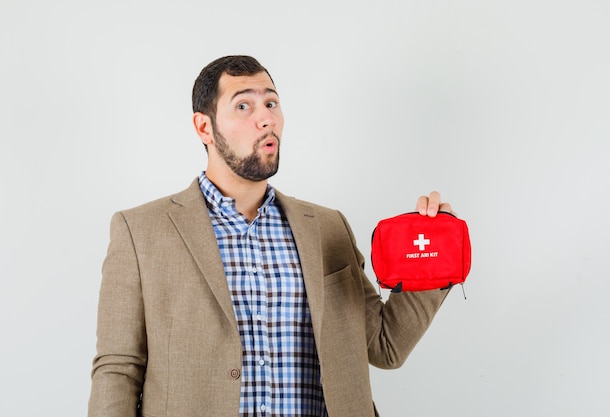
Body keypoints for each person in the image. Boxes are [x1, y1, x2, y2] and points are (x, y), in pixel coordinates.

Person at [88, 55, 455, 417]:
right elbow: (119, 369)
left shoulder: (328, 227)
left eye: (271, 102)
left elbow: (384, 346)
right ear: (204, 128)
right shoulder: (140, 232)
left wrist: (435, 259)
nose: (265, 118)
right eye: (243, 105)